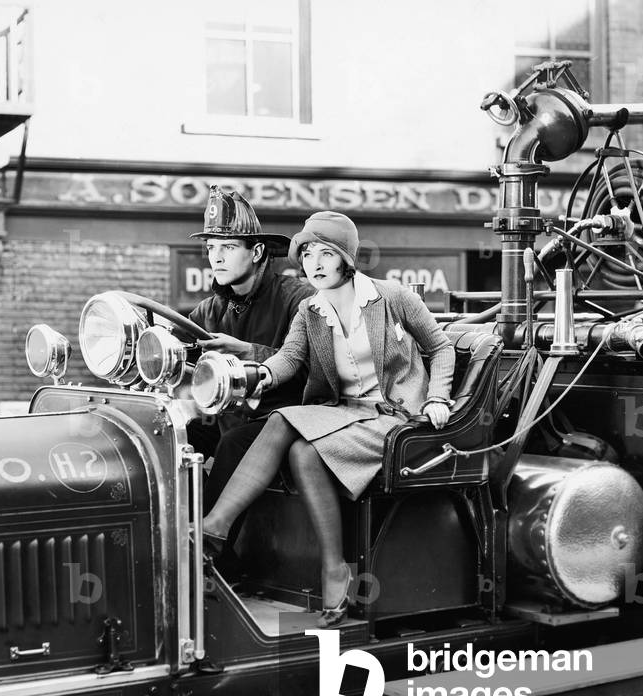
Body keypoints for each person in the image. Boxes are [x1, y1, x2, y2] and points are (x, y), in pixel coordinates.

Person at [202, 211, 454, 627]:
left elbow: (442, 348)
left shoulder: (391, 297)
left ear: (346, 259)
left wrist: (437, 398)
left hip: (394, 418)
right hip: (343, 413)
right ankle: (326, 565)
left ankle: (217, 529)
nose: (314, 264)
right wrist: (261, 375)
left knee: (294, 435)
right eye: (306, 254)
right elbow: (287, 360)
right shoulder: (309, 310)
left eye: (325, 254)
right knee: (295, 440)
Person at [184, 186, 313, 564]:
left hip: (290, 417)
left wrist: (248, 353)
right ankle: (172, 532)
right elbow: (179, 354)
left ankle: (209, 556)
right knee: (179, 436)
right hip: (231, 416)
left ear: (256, 252)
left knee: (233, 443)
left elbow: (311, 367)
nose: (216, 258)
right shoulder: (209, 310)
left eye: (226, 247)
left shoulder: (297, 297)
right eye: (210, 248)